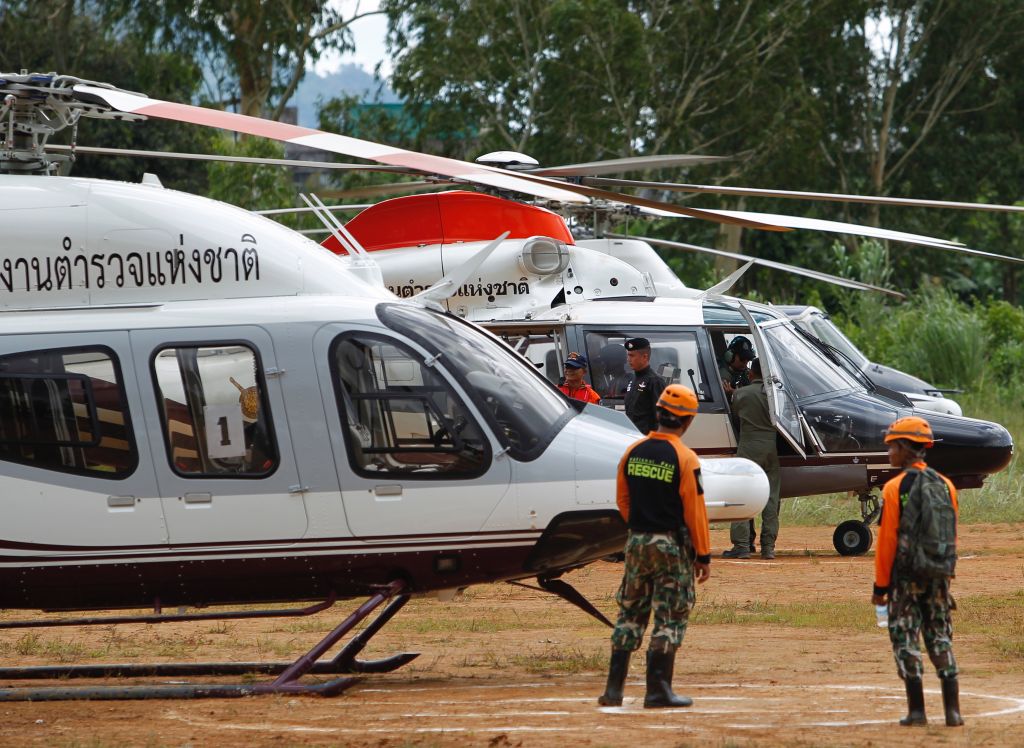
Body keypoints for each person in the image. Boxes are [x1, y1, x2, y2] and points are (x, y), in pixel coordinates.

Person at [598, 384, 711, 709]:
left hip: (636, 541)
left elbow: (622, 498)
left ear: (659, 413)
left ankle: (613, 690)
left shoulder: (633, 451)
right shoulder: (685, 458)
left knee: (631, 610)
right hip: (670, 545)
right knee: (670, 614)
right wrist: (702, 554)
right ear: (687, 421)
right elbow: (695, 511)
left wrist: (640, 526)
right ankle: (658, 690)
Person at [872, 416, 963, 728]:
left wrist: (880, 587)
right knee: (940, 636)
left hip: (905, 579)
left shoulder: (894, 488)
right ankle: (953, 712)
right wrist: (945, 575)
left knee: (906, 638)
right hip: (939, 575)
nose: (889, 453)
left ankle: (917, 712)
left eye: (892, 447)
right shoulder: (946, 485)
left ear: (906, 448)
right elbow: (950, 535)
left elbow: (887, 542)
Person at [722, 358, 780, 560]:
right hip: (770, 448)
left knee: (741, 495)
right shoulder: (775, 395)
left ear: (750, 374)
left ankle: (742, 545)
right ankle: (768, 548)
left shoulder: (740, 393)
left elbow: (736, 415)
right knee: (771, 498)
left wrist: (732, 394)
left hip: (748, 447)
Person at [623, 338, 666, 433]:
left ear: (645, 357)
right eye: (628, 355)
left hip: (646, 439)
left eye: (632, 356)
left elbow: (660, 417)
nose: (628, 359)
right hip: (632, 436)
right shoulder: (633, 379)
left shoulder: (655, 381)